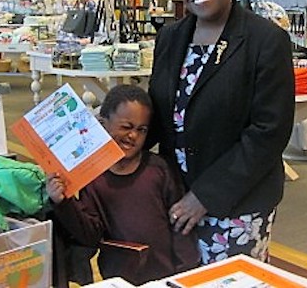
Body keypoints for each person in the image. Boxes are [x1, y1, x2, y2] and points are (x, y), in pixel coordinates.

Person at [147, 0, 295, 265]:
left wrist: (205, 196)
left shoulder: (265, 40)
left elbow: (269, 132)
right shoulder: (171, 37)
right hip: (176, 196)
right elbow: (159, 112)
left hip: (237, 200)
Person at [47, 84, 199, 285]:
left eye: (142, 130)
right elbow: (90, 234)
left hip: (166, 278)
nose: (133, 136)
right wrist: (62, 202)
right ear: (102, 124)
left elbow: (181, 226)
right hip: (119, 281)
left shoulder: (159, 170)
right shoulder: (93, 179)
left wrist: (185, 274)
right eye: (126, 127)